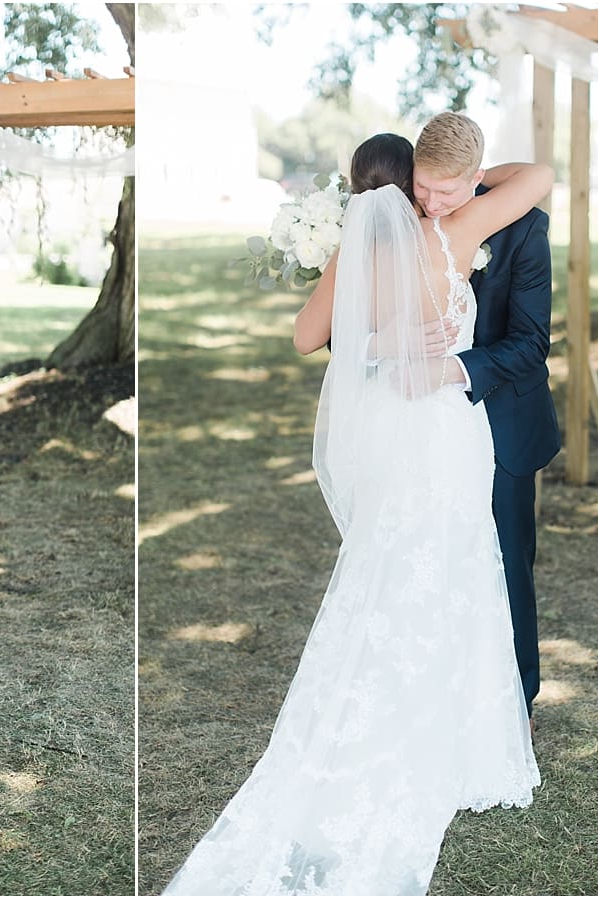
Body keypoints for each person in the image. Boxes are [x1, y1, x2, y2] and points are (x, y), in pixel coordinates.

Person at [162, 133, 554, 895]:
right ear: (412, 186)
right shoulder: (456, 231)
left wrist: (378, 341)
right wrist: (478, 182)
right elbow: (537, 175)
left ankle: (384, 715)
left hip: (389, 435)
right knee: (460, 567)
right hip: (447, 431)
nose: (434, 200)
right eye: (426, 189)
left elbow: (306, 336)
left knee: (387, 564)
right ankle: (460, 731)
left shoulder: (355, 252)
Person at [412, 113, 561, 729]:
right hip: (423, 428)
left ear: (477, 178)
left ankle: (515, 705)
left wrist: (452, 368)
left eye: (447, 191)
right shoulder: (403, 218)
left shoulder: (524, 230)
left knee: (505, 562)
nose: (431, 203)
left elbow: (531, 344)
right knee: (428, 556)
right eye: (423, 187)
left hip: (499, 420)